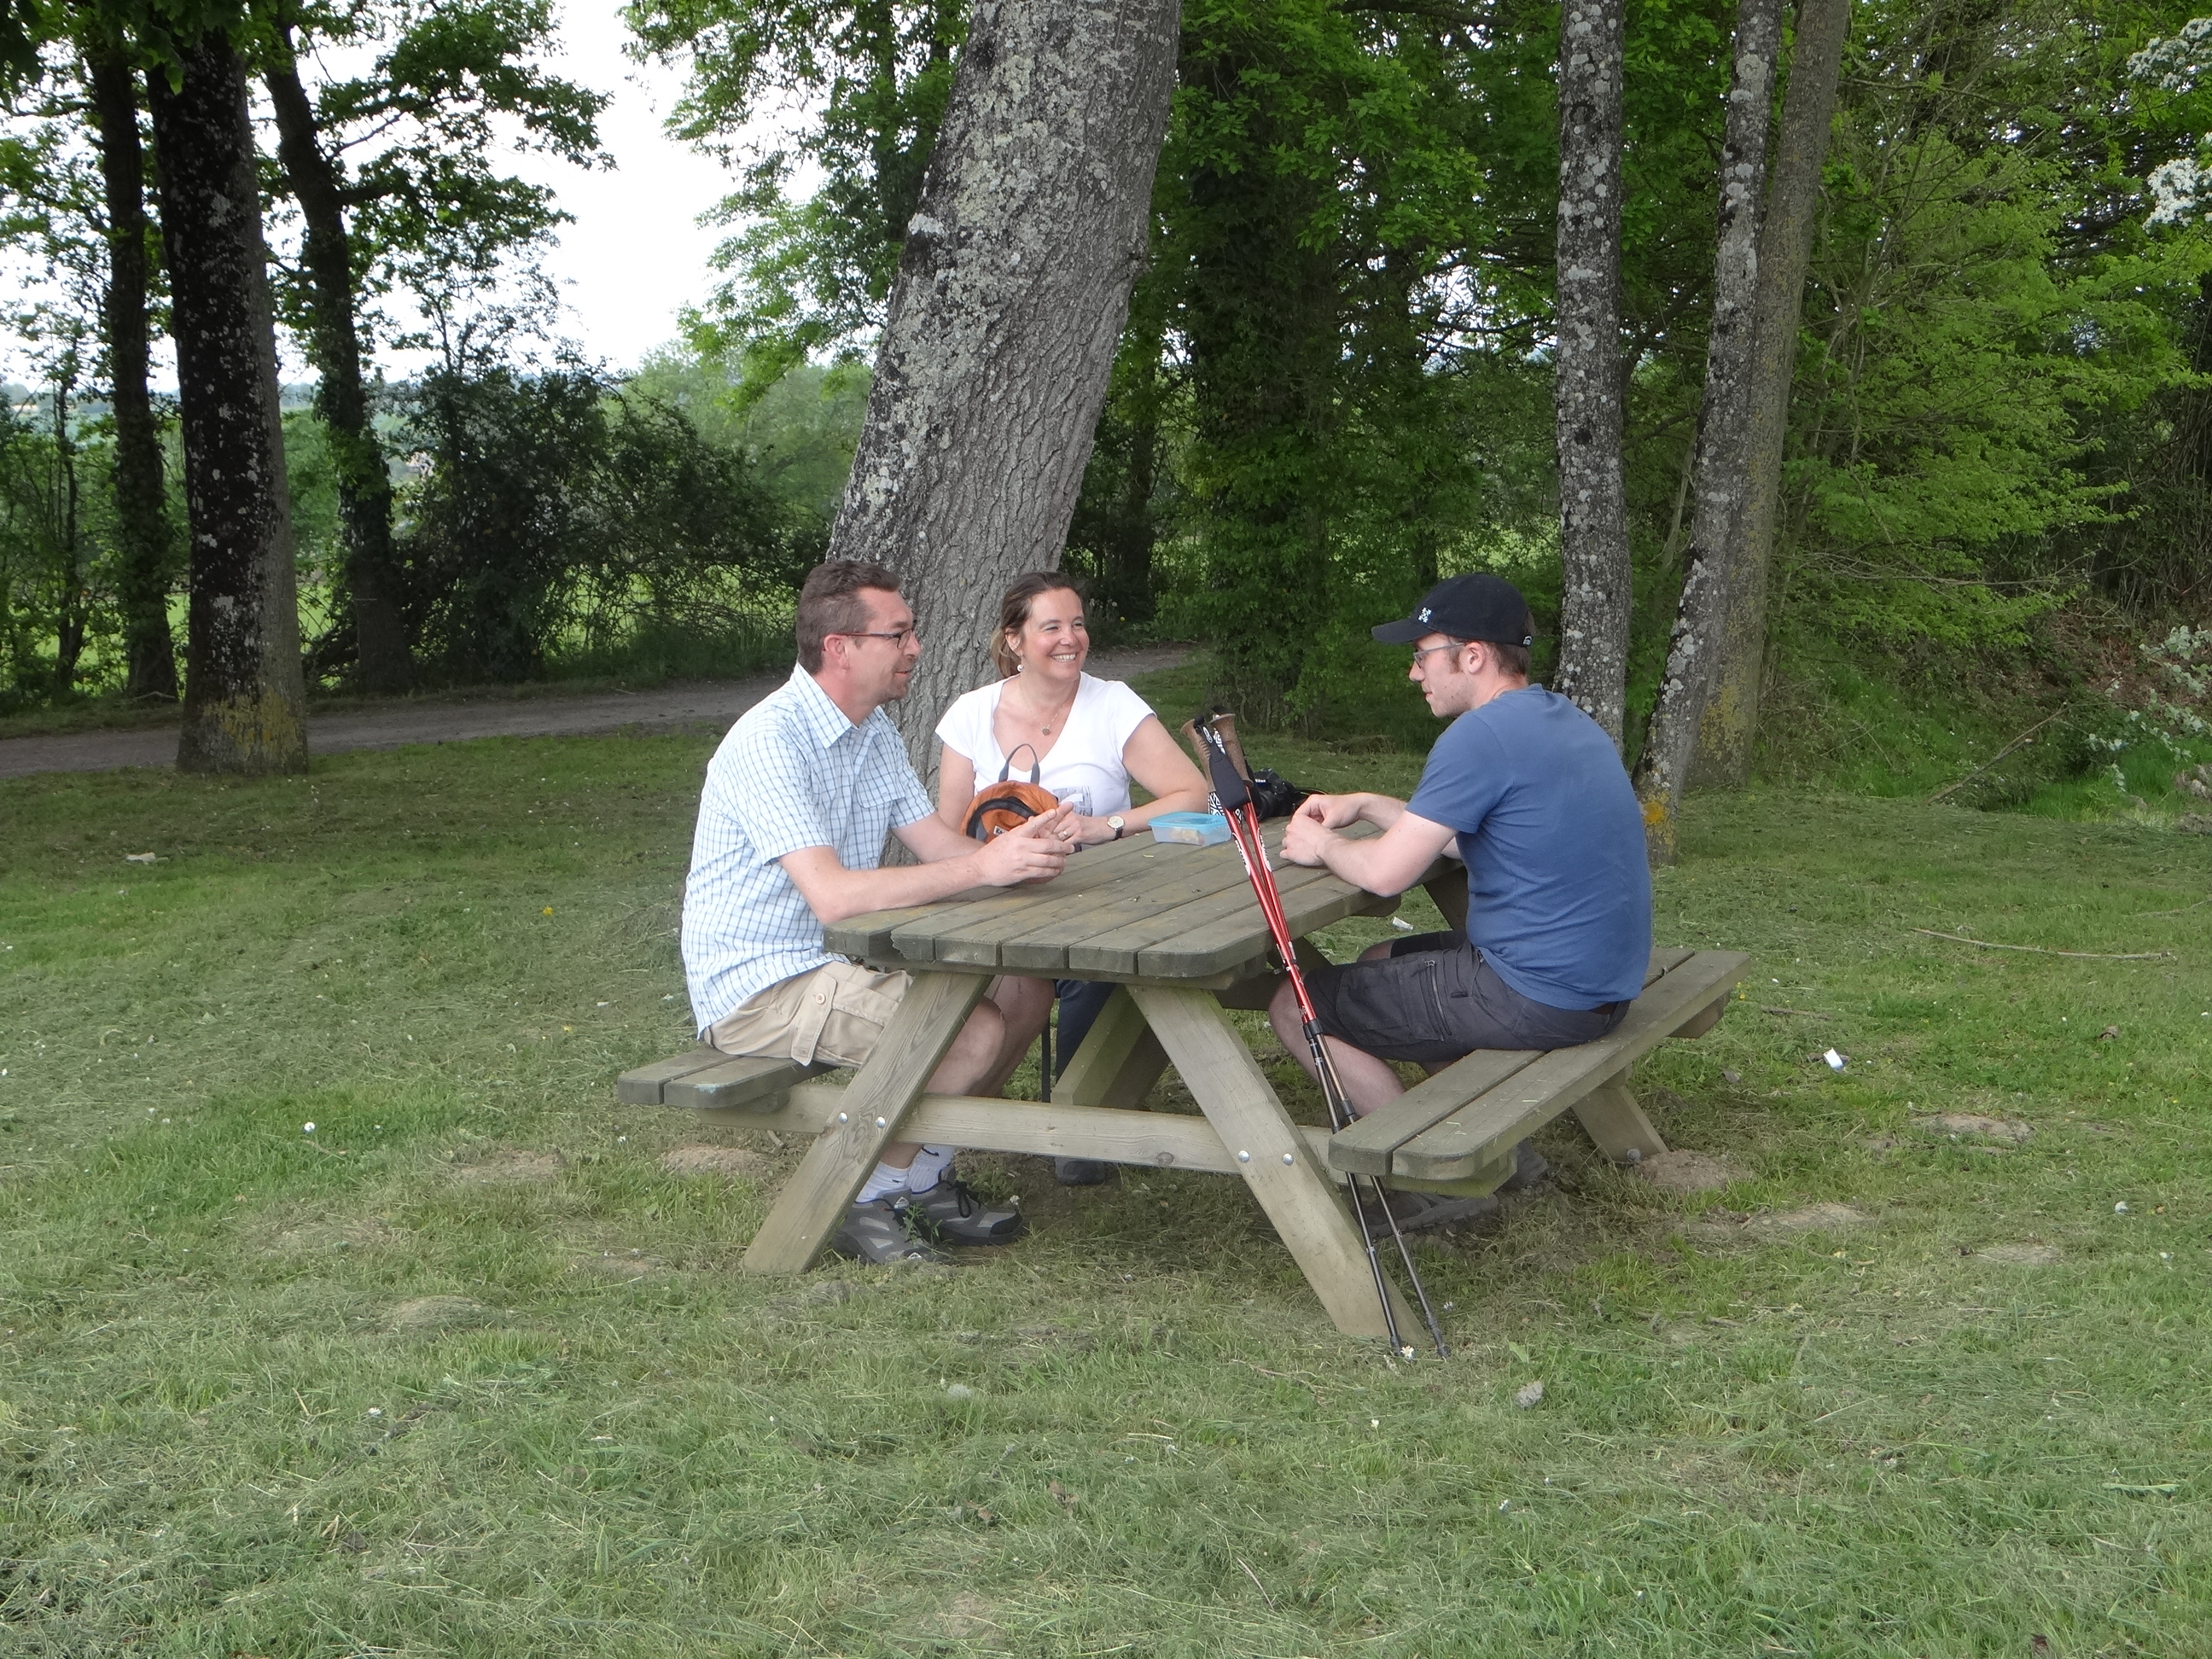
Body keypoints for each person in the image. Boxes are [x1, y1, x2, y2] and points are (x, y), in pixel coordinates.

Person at [682, 560, 1080, 1265]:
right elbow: (831, 895)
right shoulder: (769, 741)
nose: (916, 648)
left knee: (1024, 991)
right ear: (841, 648)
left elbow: (938, 847)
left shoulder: (871, 733)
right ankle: (860, 1193)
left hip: (838, 963)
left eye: (911, 632)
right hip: (760, 987)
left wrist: (1021, 853)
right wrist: (981, 868)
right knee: (968, 1036)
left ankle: (919, 1178)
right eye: (899, 634)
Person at [1268, 572, 1653, 1225]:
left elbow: (1388, 876)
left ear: (1472, 655)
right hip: (1602, 985)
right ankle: (1510, 1157)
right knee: (1382, 955)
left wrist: (1323, 847)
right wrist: (1363, 803)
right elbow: (1450, 839)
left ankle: (1427, 1173)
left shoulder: (1478, 738)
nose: (1414, 673)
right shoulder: (1558, 720)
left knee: (1291, 1002)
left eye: (1422, 655)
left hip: (1538, 995)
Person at [934, 573, 1210, 1185]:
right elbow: (950, 829)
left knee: (1096, 972)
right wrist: (993, 861)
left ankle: (1081, 1125)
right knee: (1006, 984)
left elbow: (1193, 794)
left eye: (1078, 623)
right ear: (1014, 639)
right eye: (1052, 626)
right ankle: (946, 1128)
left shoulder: (1112, 704)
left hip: (1098, 898)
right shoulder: (971, 714)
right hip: (998, 900)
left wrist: (1104, 826)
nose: (1071, 639)